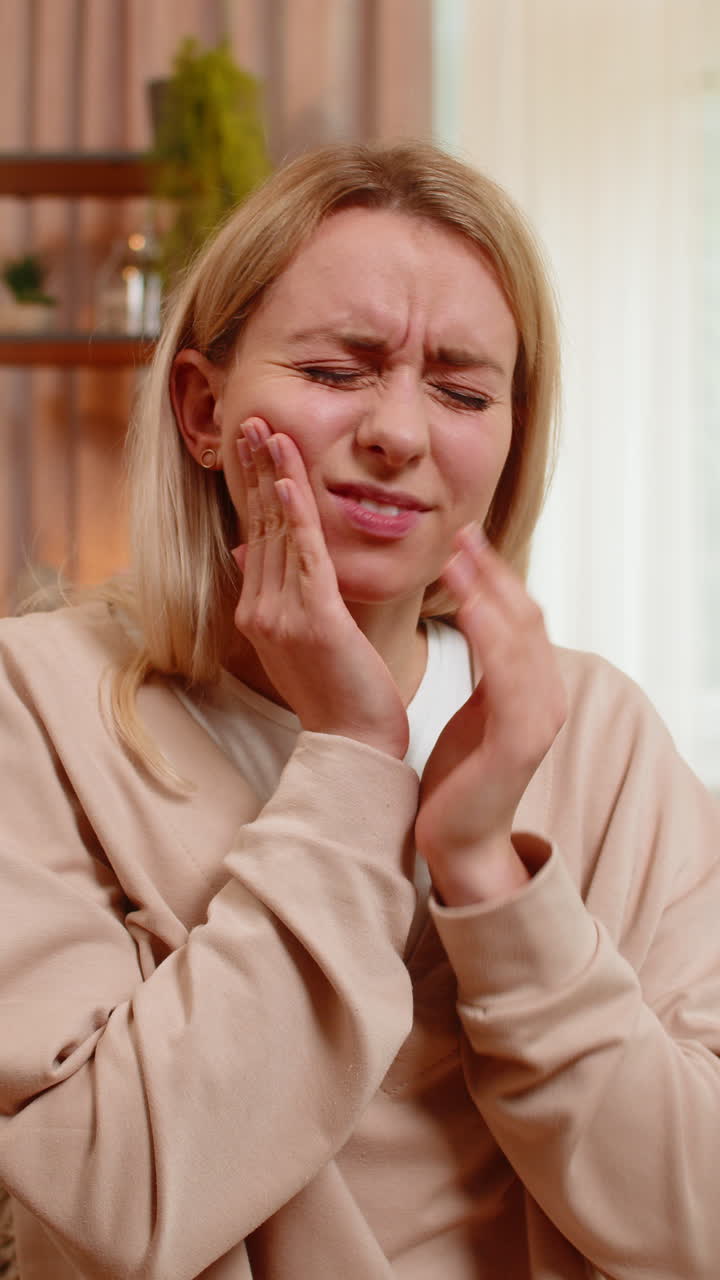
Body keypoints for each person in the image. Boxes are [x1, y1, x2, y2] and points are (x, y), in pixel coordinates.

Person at [0, 139, 718, 1280]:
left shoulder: (604, 736)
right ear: (201, 407)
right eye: (339, 372)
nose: (400, 431)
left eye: (463, 389)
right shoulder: (34, 702)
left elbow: (699, 1223)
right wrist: (349, 755)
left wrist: (485, 866)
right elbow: (110, 1205)